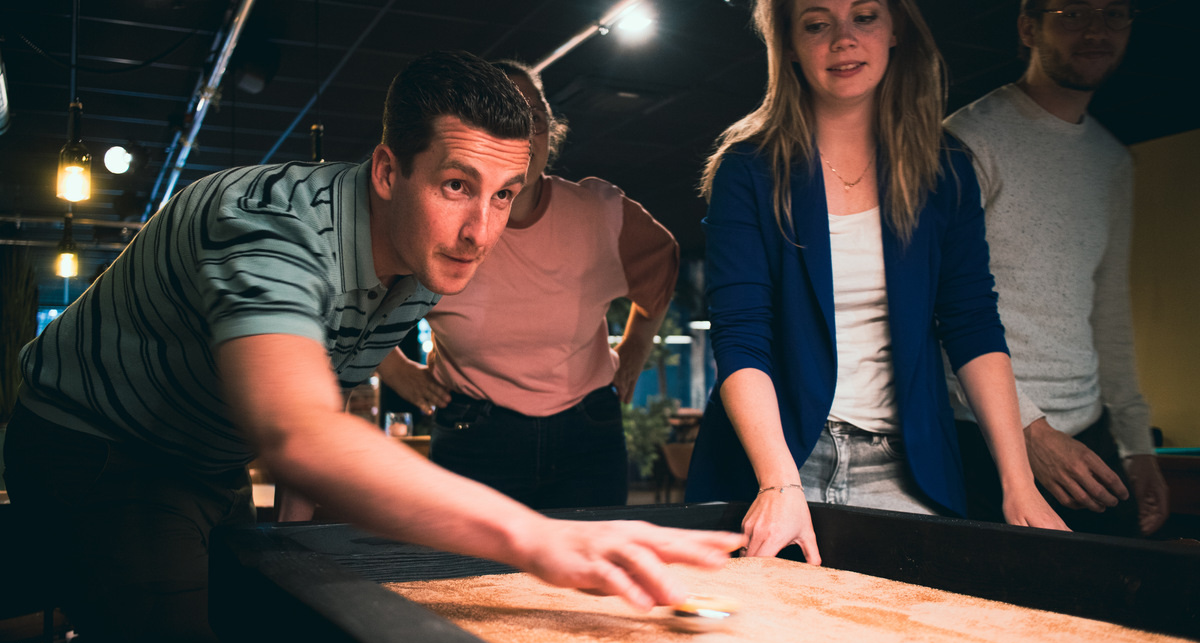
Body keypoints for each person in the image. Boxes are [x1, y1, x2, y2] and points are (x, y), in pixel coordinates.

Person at [1, 50, 742, 643]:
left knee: (261, 623)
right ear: (388, 171)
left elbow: (318, 401)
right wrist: (542, 536)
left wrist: (292, 533)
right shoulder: (270, 228)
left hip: (209, 457)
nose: (481, 231)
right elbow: (298, 431)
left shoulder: (424, 260)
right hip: (100, 445)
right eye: (458, 185)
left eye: (504, 194)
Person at [685, 0, 1067, 565]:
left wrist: (1019, 481)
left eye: (864, 16)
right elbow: (742, 338)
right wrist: (780, 485)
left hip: (909, 468)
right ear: (789, 45)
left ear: (895, 32)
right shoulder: (750, 169)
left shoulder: (946, 169)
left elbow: (973, 326)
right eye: (817, 24)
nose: (844, 39)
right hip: (781, 461)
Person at [377, 60, 678, 509]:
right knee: (465, 577)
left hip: (587, 432)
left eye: (533, 118)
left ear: (550, 130)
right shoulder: (431, 217)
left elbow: (665, 263)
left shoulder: (599, 213)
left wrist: (635, 348)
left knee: (590, 574)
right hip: (474, 434)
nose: (522, 135)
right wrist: (397, 370)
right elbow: (354, 297)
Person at [943, 0, 1169, 537]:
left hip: (1090, 434)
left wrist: (1136, 447)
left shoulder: (1112, 161)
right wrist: (1029, 433)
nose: (1096, 29)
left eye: (1115, 13)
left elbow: (1108, 315)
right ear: (1028, 27)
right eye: (1072, 11)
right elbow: (933, 311)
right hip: (983, 434)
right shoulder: (965, 141)